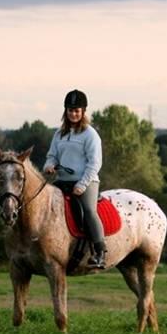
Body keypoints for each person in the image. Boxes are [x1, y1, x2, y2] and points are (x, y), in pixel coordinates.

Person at [44, 89, 107, 268]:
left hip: (86, 181)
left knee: (88, 210)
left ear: (83, 112)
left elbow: (95, 163)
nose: (73, 114)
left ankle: (100, 252)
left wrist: (82, 184)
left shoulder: (90, 135)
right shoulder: (59, 134)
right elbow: (52, 156)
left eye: (77, 110)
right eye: (70, 110)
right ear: (66, 111)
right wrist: (49, 166)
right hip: (63, 181)